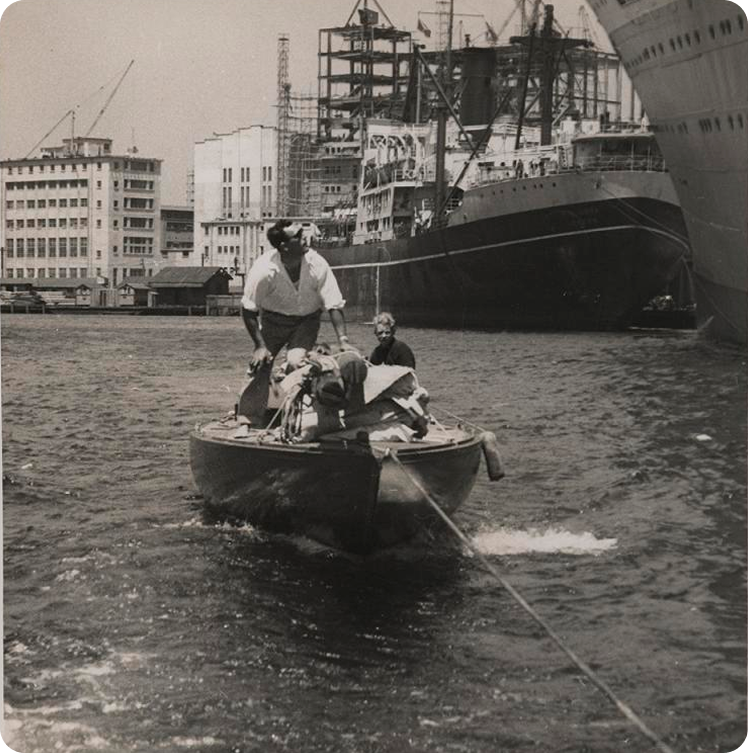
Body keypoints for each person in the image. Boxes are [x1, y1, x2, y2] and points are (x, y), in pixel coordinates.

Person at [240, 219, 354, 422]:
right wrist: (259, 345)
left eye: (303, 233)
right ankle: (248, 418)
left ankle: (296, 416)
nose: (305, 238)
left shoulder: (317, 263)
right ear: (284, 246)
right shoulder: (264, 270)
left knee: (297, 362)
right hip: (273, 321)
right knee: (261, 364)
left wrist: (343, 339)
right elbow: (248, 309)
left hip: (306, 321)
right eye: (298, 236)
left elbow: (333, 304)